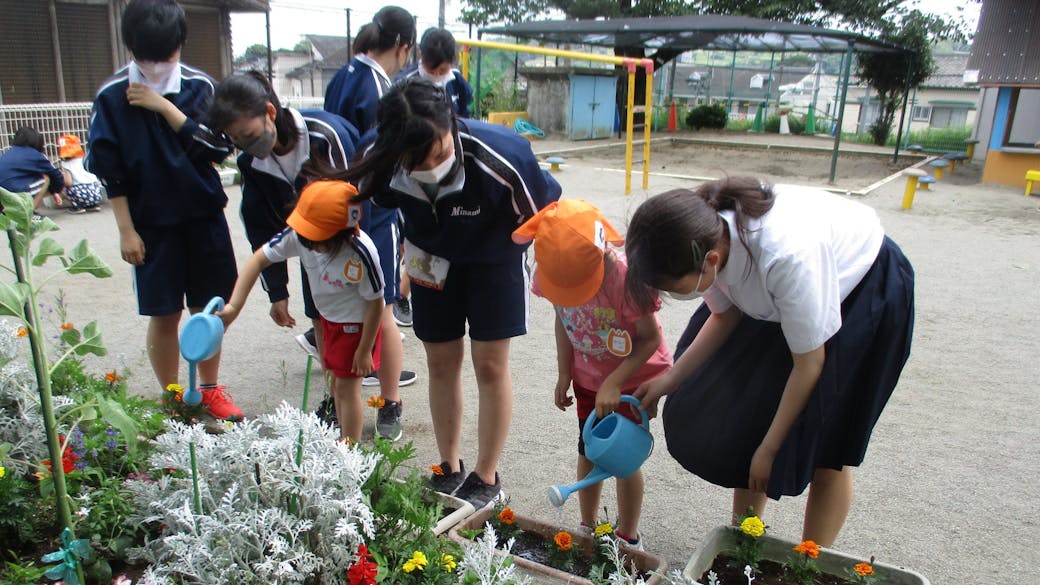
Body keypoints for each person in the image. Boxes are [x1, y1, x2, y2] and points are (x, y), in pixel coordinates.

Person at [624, 178, 915, 547]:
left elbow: (809, 365)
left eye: (673, 287)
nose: (669, 296)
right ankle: (746, 543)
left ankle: (811, 562)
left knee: (829, 446)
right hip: (778, 292)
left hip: (861, 287)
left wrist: (770, 448)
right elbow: (723, 316)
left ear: (710, 261)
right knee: (745, 422)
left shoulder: (785, 256)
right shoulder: (701, 237)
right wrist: (670, 379)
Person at [343, 78, 562, 509]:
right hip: (429, 258)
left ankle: (486, 475)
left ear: (452, 121)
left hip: (494, 258)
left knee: (490, 365)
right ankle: (449, 466)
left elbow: (543, 214)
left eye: (441, 152)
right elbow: (358, 204)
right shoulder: (381, 156)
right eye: (417, 161)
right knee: (440, 360)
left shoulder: (503, 153)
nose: (431, 165)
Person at [86, 0, 243, 420]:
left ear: (181, 44)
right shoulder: (111, 95)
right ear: (131, 47)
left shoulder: (201, 87)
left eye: (166, 55)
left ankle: (208, 389)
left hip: (203, 216)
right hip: (151, 224)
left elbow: (219, 148)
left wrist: (163, 105)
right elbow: (110, 169)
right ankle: (174, 396)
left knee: (208, 309)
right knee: (164, 312)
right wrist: (125, 230)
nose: (156, 65)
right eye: (146, 56)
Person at [513, 199, 671, 548]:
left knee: (624, 458)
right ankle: (587, 525)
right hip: (587, 382)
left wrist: (615, 381)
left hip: (628, 383)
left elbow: (650, 338)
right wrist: (564, 372)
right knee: (589, 449)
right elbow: (564, 322)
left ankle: (628, 535)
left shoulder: (626, 279)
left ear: (600, 255)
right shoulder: (555, 274)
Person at [219, 180, 383, 442]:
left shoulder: (361, 252)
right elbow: (258, 259)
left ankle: (350, 451)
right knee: (336, 386)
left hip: (357, 326)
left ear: (343, 232)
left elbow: (376, 304)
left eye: (318, 239)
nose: (310, 245)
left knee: (347, 388)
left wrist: (365, 349)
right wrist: (234, 307)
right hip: (329, 320)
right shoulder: (302, 236)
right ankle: (344, 441)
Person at [324, 4, 417, 411]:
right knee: (381, 304)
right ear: (402, 45)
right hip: (370, 208)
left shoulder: (341, 77)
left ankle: (344, 391)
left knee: (344, 299)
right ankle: (390, 399)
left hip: (335, 206)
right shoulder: (380, 87)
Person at [399, 28, 473, 118]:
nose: (437, 75)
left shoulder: (456, 80)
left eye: (442, 70)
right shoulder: (406, 83)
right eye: (431, 70)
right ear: (421, 55)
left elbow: (464, 111)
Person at [0, 126, 65, 220]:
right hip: (16, 192)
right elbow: (55, 175)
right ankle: (29, 214)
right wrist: (55, 190)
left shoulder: (7, 153)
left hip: (2, 195)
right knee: (45, 178)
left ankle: (8, 213)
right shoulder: (36, 155)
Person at [57, 134, 103, 214]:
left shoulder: (66, 164)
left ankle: (77, 207)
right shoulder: (84, 159)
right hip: (96, 191)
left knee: (62, 187)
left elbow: (68, 182)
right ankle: (93, 205)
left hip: (80, 194)